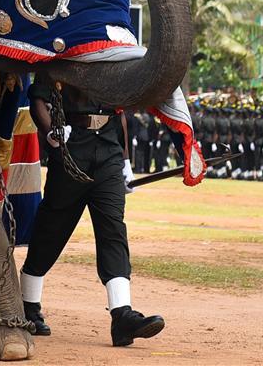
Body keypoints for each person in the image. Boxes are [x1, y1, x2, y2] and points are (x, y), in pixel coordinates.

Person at [18, 73, 164, 348]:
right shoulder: (62, 54)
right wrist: (50, 133)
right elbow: (38, 99)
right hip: (72, 145)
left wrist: (125, 161)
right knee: (52, 229)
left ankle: (122, 315)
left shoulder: (112, 59)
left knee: (113, 229)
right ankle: (28, 304)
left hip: (108, 149)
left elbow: (119, 113)